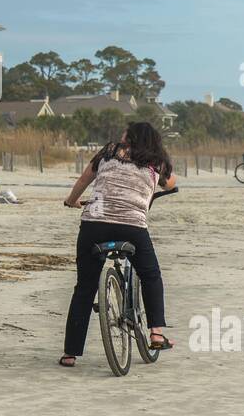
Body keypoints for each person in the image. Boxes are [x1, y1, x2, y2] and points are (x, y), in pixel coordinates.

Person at [60, 122, 176, 368]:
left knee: (85, 286)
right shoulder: (157, 160)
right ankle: (156, 332)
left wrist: (72, 201)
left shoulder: (109, 151)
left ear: (129, 136)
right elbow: (171, 184)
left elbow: (84, 179)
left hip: (94, 223)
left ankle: (70, 353)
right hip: (132, 226)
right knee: (151, 274)